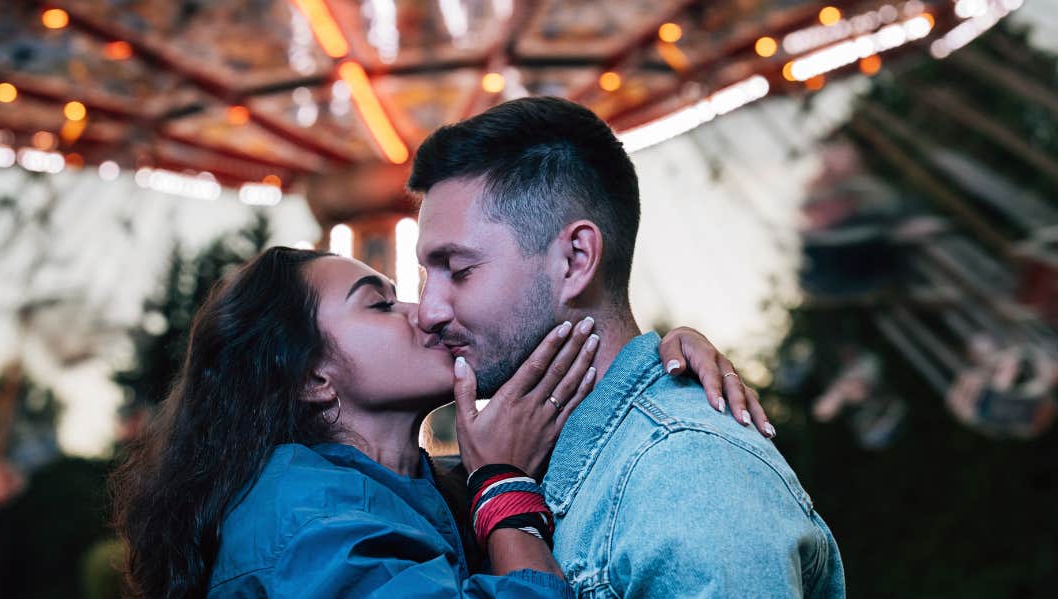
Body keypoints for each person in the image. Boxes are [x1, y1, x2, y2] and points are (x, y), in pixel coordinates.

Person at [110, 246, 768, 598]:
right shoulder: (301, 528)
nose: (425, 311)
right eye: (380, 305)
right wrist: (504, 487)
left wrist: (660, 359)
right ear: (312, 378)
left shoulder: (421, 489)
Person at [408, 96, 846, 597]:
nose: (428, 309)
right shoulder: (523, 459)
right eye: (427, 274)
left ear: (576, 259)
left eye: (459, 269)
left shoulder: (687, 477)